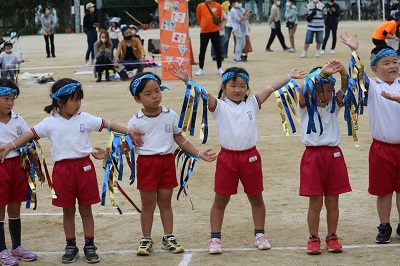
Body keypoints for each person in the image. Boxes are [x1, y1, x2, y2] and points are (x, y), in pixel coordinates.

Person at [171, 64, 307, 254]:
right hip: (227, 159)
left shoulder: (252, 103)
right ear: (224, 87)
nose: (238, 90)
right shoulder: (218, 106)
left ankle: (260, 234)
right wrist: (187, 80)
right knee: (220, 200)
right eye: (233, 85)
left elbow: (271, 87)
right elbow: (201, 93)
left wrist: (289, 75)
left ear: (247, 88)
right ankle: (215, 239)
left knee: (256, 198)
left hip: (250, 157)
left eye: (243, 86)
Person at [0, 78, 137, 263]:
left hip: (84, 168)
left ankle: (90, 245)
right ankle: (70, 245)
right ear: (59, 101)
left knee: (86, 209)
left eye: (79, 99)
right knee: (68, 210)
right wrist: (10, 145)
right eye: (73, 100)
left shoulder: (86, 118)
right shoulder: (49, 123)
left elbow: (108, 124)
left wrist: (129, 132)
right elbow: (29, 135)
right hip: (62, 171)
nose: (78, 104)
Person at [125, 72, 216, 255]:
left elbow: (179, 139)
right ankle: (146, 239)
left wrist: (198, 153)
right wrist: (109, 154)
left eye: (157, 91)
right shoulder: (135, 121)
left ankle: (169, 237)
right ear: (137, 99)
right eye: (148, 94)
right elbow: (126, 145)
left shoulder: (170, 115)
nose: (154, 96)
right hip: (147, 164)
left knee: (165, 203)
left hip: (166, 163)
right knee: (148, 204)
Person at [341, 32, 400, 245]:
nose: (392, 66)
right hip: (382, 149)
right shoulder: (374, 87)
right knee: (383, 191)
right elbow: (357, 76)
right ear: (375, 69)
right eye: (386, 63)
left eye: (395, 61)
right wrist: (354, 51)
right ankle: (384, 225)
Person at [298, 61, 352, 254]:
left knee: (333, 201)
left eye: (329, 90)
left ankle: (332, 236)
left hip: (333, 156)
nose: (325, 95)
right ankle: (313, 238)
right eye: (320, 90)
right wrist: (320, 73)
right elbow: (304, 88)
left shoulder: (333, 106)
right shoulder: (304, 107)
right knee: (315, 202)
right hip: (313, 157)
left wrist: (343, 71)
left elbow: (346, 86)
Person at [0, 79, 39, 266]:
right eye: (6, 98)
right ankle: (1, 249)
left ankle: (17, 247)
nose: (10, 103)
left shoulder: (18, 119)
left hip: (18, 167)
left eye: (13, 99)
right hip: (0, 168)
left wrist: (36, 167)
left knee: (15, 207)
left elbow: (30, 142)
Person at [195, 0, 224, 76]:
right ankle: (201, 68)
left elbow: (220, 16)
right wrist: (203, 25)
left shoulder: (218, 5)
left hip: (215, 30)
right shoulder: (200, 6)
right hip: (204, 31)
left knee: (217, 49)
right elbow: (198, 18)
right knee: (202, 50)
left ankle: (219, 67)